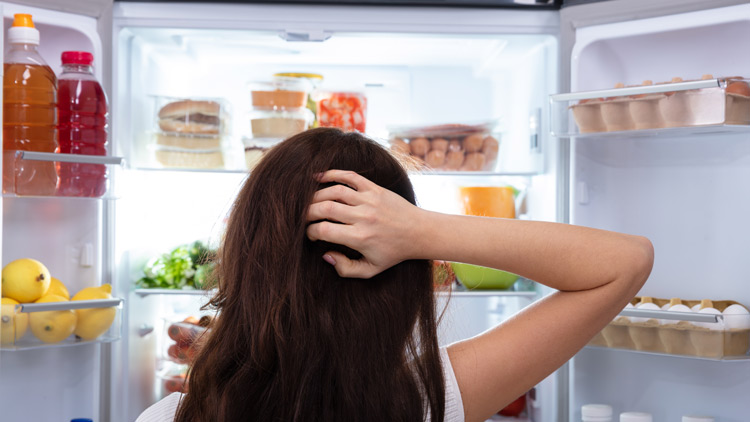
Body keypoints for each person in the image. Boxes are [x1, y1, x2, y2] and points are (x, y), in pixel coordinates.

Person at [137, 127, 653, 422]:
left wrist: (248, 352)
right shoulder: (427, 400)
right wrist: (421, 230)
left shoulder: (168, 418)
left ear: (249, 259)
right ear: (405, 279)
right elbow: (624, 262)